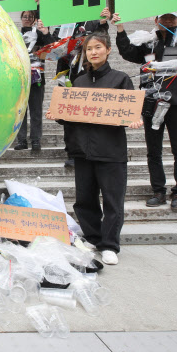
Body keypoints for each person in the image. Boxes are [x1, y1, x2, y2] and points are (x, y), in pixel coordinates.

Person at [47, 33, 143, 265]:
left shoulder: (120, 80)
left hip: (110, 151)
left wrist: (134, 118)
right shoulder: (78, 82)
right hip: (83, 150)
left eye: (98, 47)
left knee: (112, 200)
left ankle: (109, 245)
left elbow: (129, 111)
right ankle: (93, 237)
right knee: (85, 199)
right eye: (89, 49)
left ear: (108, 50)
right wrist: (57, 115)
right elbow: (72, 116)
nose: (93, 52)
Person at [114, 0, 177, 211]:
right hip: (152, 103)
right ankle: (158, 190)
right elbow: (128, 52)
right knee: (153, 150)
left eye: (172, 18)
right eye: (164, 18)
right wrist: (120, 29)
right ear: (156, 20)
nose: (168, 22)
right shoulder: (148, 42)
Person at [54, 8, 111, 168]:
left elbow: (102, 40)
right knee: (68, 116)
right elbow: (53, 43)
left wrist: (103, 23)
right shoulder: (64, 23)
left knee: (88, 115)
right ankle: (72, 152)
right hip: (66, 74)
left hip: (88, 75)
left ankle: (90, 149)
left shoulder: (93, 22)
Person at [14, 9, 57, 151]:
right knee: (21, 111)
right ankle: (21, 140)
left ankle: (36, 140)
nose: (27, 18)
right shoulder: (15, 34)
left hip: (37, 77)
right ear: (21, 18)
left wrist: (40, 6)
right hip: (19, 78)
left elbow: (52, 46)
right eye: (24, 16)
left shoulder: (38, 34)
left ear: (34, 19)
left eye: (30, 16)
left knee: (36, 110)